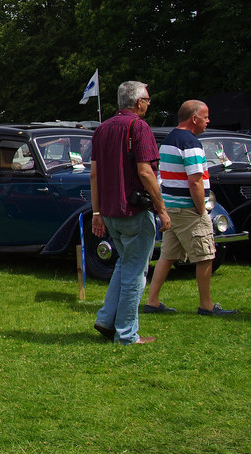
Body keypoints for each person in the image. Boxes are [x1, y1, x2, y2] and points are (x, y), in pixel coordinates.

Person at [91, 81, 171, 345]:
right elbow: (146, 171)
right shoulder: (139, 127)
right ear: (138, 102)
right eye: (147, 99)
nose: (148, 103)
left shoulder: (101, 129)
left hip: (111, 211)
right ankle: (126, 334)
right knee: (136, 272)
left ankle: (106, 319)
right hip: (133, 210)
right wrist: (161, 209)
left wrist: (97, 212)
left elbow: (94, 174)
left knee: (124, 264)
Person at [144, 100, 237, 317]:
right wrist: (202, 210)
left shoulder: (168, 140)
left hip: (171, 208)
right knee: (205, 255)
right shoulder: (191, 143)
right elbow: (195, 181)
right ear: (194, 119)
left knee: (167, 255)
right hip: (189, 210)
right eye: (205, 117)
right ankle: (206, 305)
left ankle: (152, 301)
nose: (208, 121)